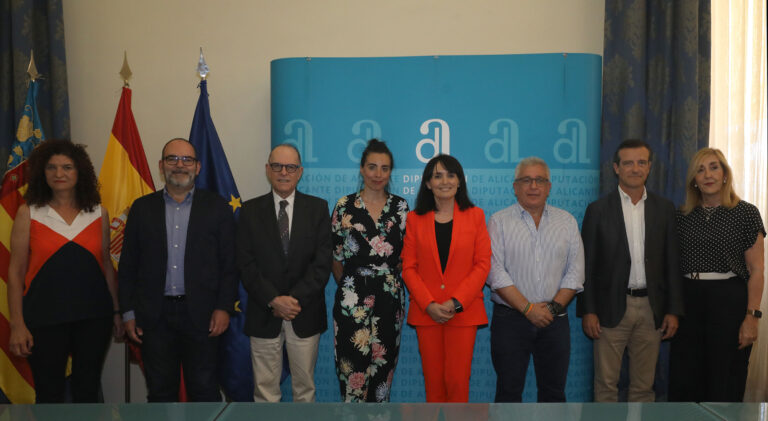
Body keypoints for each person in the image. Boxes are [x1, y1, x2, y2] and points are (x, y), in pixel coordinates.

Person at [118, 138, 237, 402]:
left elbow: (229, 264)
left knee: (204, 389)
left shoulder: (217, 207)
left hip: (203, 315)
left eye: (187, 160)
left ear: (198, 166)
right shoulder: (141, 208)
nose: (179, 165)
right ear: (161, 166)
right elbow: (128, 266)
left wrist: (223, 308)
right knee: (160, 392)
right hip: (154, 316)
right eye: (172, 159)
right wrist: (128, 312)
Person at [7, 139, 123, 403]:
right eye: (52, 167)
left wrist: (116, 311)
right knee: (49, 393)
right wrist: (17, 324)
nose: (59, 174)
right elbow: (15, 274)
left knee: (87, 390)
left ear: (79, 172)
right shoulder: (29, 213)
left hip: (94, 317)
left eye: (67, 167)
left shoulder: (98, 214)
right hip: (44, 318)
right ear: (42, 173)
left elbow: (106, 265)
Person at [577, 139, 683, 402]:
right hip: (609, 307)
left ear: (649, 168)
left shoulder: (665, 209)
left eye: (641, 162)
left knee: (644, 388)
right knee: (605, 386)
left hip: (652, 308)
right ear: (616, 168)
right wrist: (588, 310)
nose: (635, 169)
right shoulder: (598, 210)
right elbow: (586, 265)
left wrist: (673, 309)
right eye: (628, 163)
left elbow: (672, 262)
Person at [236, 143, 332, 402]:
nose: (283, 172)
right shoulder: (249, 211)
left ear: (299, 172)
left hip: (304, 312)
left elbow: (322, 264)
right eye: (277, 166)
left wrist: (293, 300)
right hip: (263, 312)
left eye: (290, 167)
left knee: (305, 390)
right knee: (265, 391)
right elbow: (246, 264)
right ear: (268, 170)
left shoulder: (318, 209)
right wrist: (273, 300)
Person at [669, 147, 765, 402]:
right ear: (694, 180)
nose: (707, 174)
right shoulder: (682, 216)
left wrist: (752, 317)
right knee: (686, 379)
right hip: (688, 302)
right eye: (700, 170)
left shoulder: (746, 212)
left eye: (714, 167)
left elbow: (757, 270)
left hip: (729, 302)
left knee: (725, 379)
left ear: (725, 174)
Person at [487, 157, 584, 402]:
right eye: (526, 180)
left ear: (549, 186)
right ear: (515, 187)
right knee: (508, 393)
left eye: (539, 180)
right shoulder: (499, 221)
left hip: (555, 319)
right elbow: (495, 272)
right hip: (511, 320)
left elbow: (576, 271)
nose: (533, 186)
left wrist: (550, 309)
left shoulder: (567, 221)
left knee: (553, 393)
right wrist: (528, 309)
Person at [401, 154, 491, 402]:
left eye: (451, 175)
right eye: (437, 175)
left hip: (463, 312)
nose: (445, 181)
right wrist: (428, 304)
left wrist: (456, 301)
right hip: (426, 313)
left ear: (460, 181)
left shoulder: (476, 216)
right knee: (434, 386)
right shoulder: (414, 219)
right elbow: (408, 267)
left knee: (457, 382)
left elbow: (482, 264)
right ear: (427, 183)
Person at [330, 139, 409, 402]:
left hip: (389, 300)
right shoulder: (344, 206)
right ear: (362, 169)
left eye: (384, 168)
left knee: (382, 376)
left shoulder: (401, 208)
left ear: (390, 172)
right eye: (372, 167)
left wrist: (383, 279)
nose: (378, 174)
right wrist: (354, 287)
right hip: (352, 301)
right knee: (352, 374)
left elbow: (406, 257)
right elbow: (336, 258)